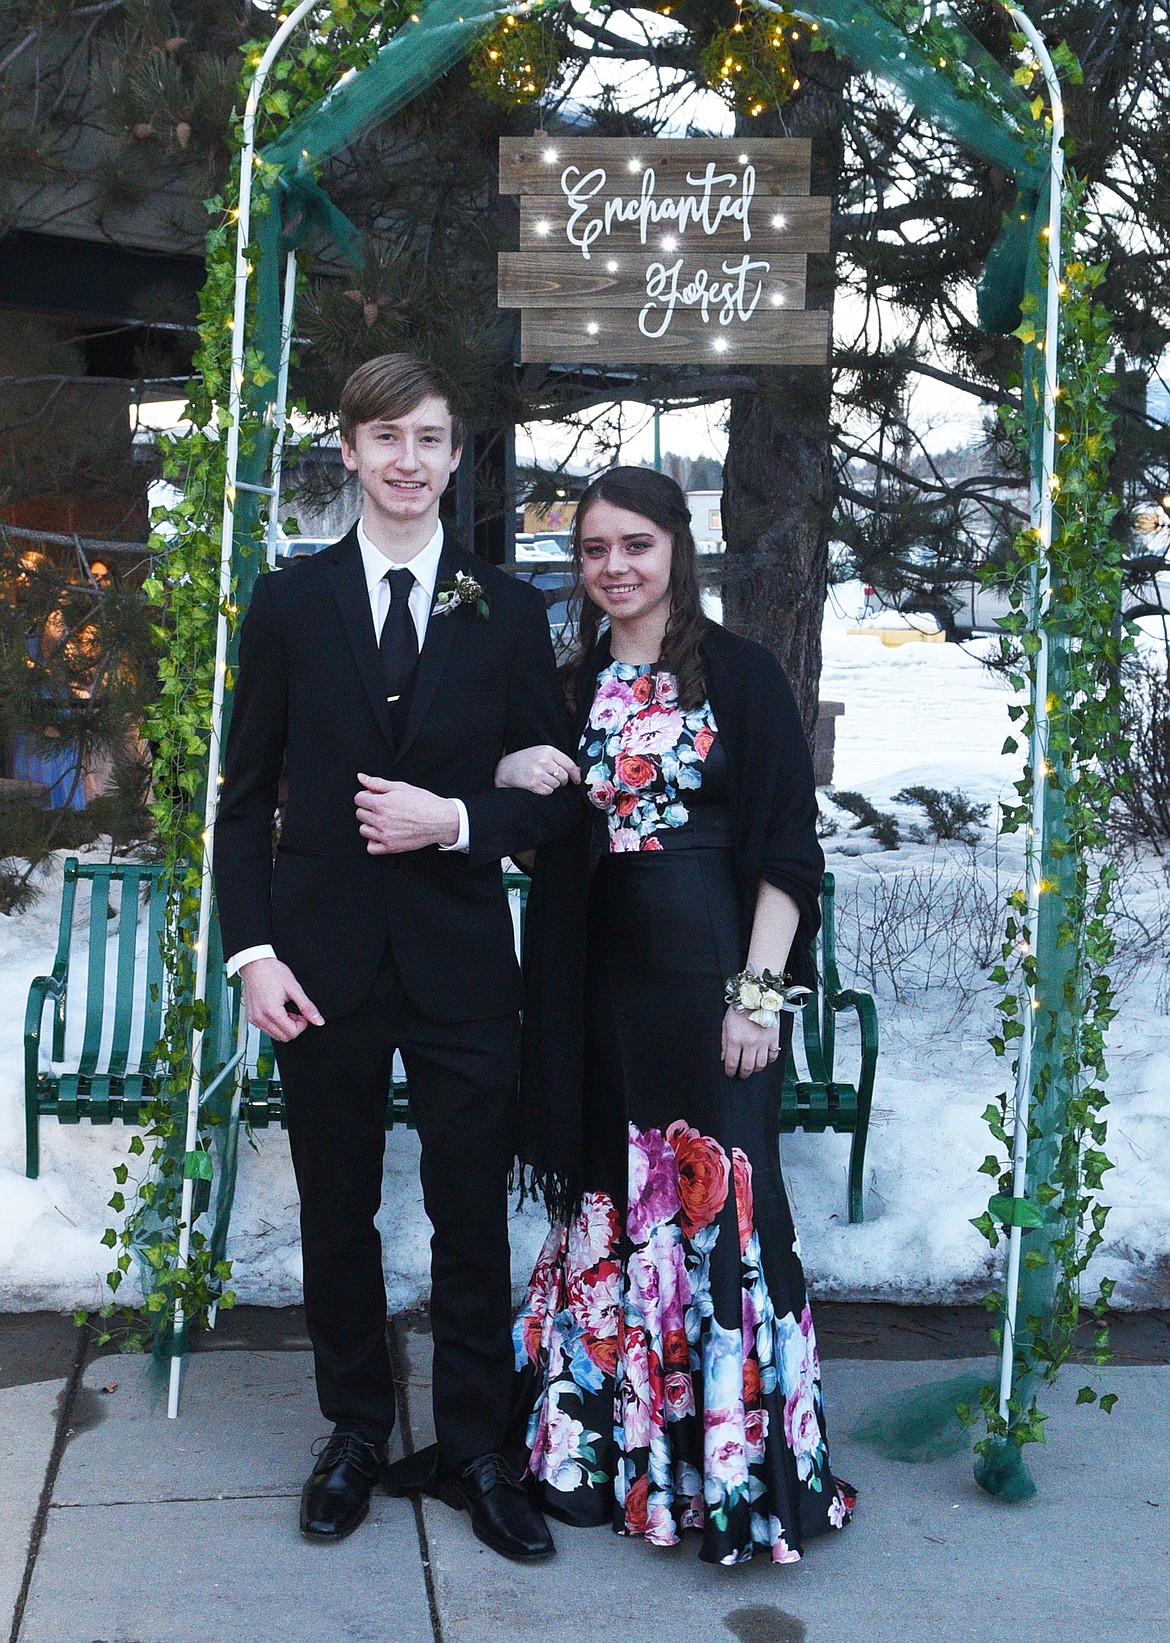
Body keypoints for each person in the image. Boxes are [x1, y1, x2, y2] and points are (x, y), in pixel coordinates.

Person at [213, 353, 580, 1560]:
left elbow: (556, 794)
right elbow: (243, 795)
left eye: (430, 437)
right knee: (339, 1210)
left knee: (471, 1213)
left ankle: (476, 1446)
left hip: (465, 960)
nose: (410, 461)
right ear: (353, 449)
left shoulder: (509, 607)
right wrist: (253, 951)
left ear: (455, 452)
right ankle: (358, 1430)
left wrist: (464, 816)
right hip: (319, 967)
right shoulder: (288, 604)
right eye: (387, 438)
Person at [496, 466, 856, 1566]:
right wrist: (512, 769)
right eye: (595, 548)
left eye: (635, 546)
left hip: (709, 982)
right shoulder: (567, 689)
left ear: (676, 550)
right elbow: (532, 839)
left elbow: (790, 852)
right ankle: (602, 1453)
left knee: (719, 1213)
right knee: (608, 1200)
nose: (614, 567)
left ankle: (729, 1470)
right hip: (594, 991)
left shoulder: (740, 678)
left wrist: (758, 992)